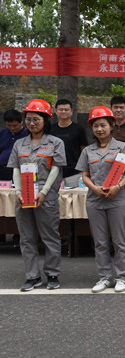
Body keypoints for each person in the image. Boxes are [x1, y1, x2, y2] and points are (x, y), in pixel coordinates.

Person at [76, 107, 125, 293]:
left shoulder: (122, 147)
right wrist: (94, 188)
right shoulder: (88, 151)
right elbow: (85, 175)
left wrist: (118, 187)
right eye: (95, 126)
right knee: (100, 242)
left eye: (103, 125)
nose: (99, 129)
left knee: (119, 241)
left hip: (118, 200)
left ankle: (121, 277)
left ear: (111, 126)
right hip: (95, 201)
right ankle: (104, 277)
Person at [9, 100, 66, 291]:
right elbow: (16, 169)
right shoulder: (19, 144)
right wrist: (18, 192)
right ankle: (32, 276)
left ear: (46, 120)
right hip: (23, 195)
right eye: (28, 119)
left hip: (45, 195)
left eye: (36, 119)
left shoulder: (56, 143)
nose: (32, 123)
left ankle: (52, 273)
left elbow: (56, 169)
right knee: (26, 238)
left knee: (50, 236)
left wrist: (43, 192)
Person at [50, 99, 88, 188]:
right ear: (56, 111)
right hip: (54, 172)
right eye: (61, 109)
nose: (63, 112)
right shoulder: (50, 129)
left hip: (74, 173)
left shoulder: (79, 129)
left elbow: (84, 150)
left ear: (71, 111)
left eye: (66, 109)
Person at [0, 109, 29, 181]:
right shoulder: (2, 133)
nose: (12, 128)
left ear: (21, 121)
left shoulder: (28, 135)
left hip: (19, 169)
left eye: (15, 125)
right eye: (9, 125)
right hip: (2, 168)